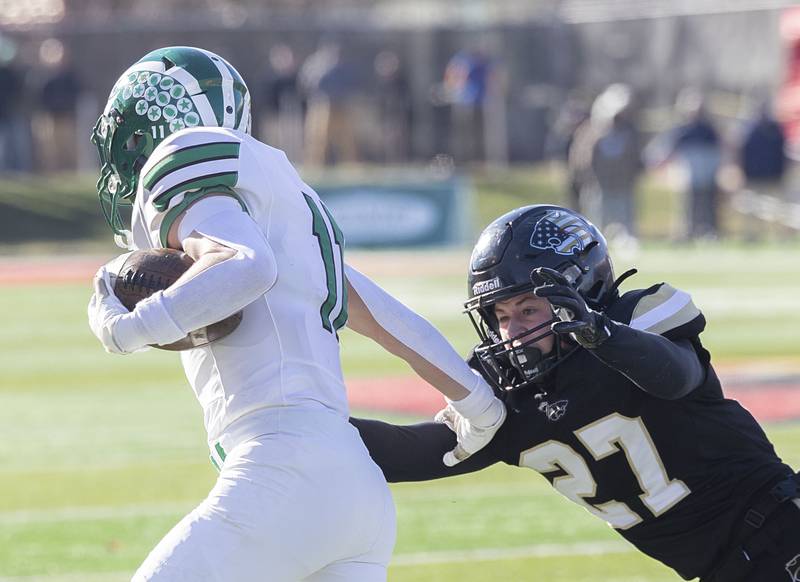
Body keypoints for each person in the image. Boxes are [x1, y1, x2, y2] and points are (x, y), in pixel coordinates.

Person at [85, 46, 505, 582]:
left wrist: (126, 329)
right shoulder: (288, 198)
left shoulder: (185, 152)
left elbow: (244, 265)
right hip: (356, 491)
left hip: (281, 471)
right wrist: (481, 409)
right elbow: (391, 320)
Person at [351, 204, 800, 582]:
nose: (514, 331)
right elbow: (410, 453)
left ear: (582, 291)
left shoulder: (636, 317)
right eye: (500, 315)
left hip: (783, 530)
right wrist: (298, 423)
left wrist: (603, 335)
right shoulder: (511, 396)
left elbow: (676, 376)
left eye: (529, 308)